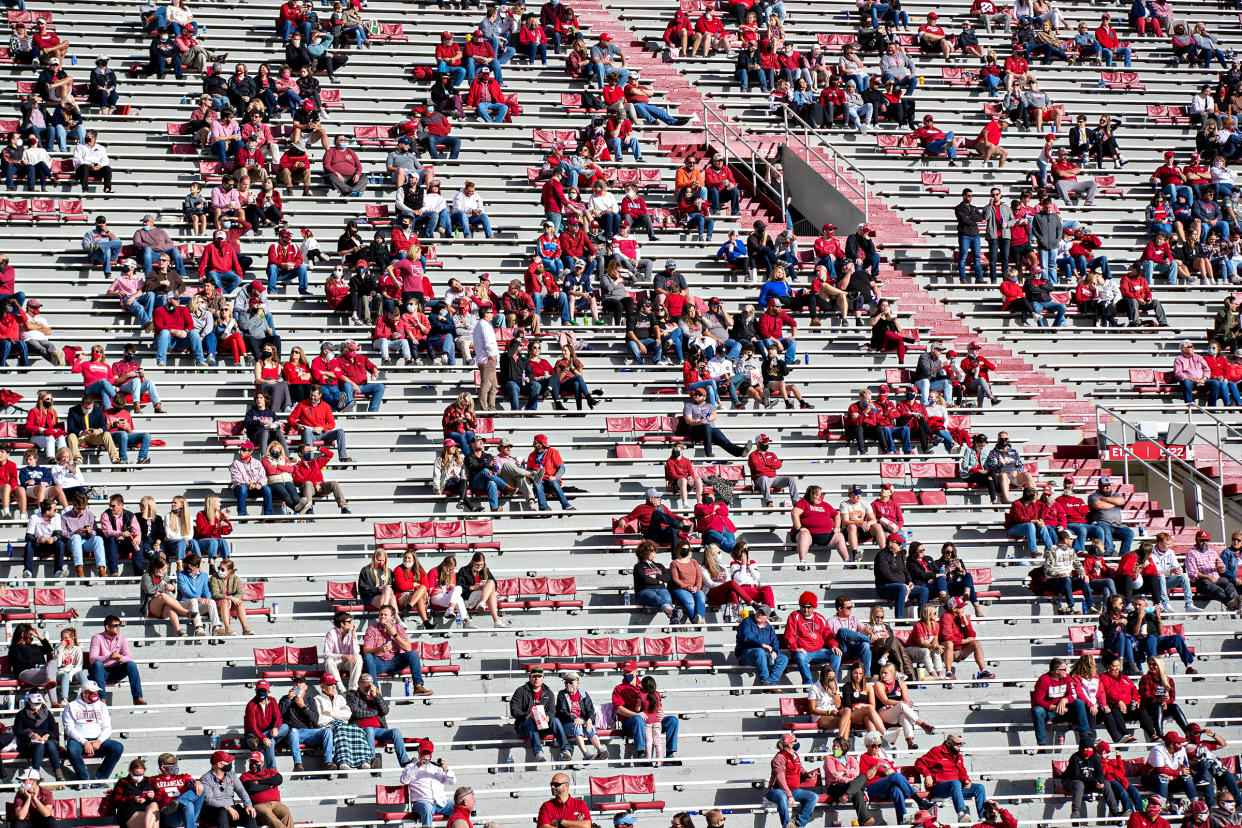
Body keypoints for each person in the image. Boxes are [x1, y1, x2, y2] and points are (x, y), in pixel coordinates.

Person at [612, 661, 677, 761]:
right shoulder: (619, 688)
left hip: (651, 720)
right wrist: (637, 714)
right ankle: (641, 753)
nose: (626, 674)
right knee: (638, 719)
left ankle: (670, 754)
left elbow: (657, 702)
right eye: (624, 672)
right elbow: (619, 709)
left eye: (629, 672)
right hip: (630, 722)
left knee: (672, 720)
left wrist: (661, 712)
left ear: (636, 672)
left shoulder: (646, 684)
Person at [916, 734, 987, 823]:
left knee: (979, 788)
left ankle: (983, 818)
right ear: (948, 743)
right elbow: (919, 762)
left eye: (961, 744)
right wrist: (927, 775)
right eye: (957, 744)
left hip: (955, 788)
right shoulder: (936, 751)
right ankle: (961, 813)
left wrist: (966, 780)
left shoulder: (958, 756)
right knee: (955, 783)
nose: (959, 747)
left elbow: (962, 772)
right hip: (938, 787)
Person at [361, 605, 431, 695]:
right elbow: (366, 650)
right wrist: (379, 649)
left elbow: (408, 648)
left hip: (395, 661)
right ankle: (375, 689)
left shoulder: (399, 629)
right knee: (368, 657)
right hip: (379, 663)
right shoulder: (372, 629)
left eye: (385, 615)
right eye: (381, 615)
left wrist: (395, 635)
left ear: (392, 618)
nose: (382, 616)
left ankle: (418, 686)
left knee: (413, 654)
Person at [859, 730, 925, 824]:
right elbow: (866, 777)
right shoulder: (864, 757)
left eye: (879, 745)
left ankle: (900, 822)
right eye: (874, 746)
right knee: (894, 776)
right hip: (872, 788)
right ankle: (919, 801)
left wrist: (888, 771)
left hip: (886, 789)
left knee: (896, 790)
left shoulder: (884, 759)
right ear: (867, 746)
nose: (877, 748)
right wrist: (878, 766)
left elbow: (895, 774)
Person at [62, 680, 123, 781]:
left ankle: (101, 778)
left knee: (117, 747)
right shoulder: (71, 706)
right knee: (72, 749)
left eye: (96, 692)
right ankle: (84, 779)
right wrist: (84, 742)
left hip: (97, 740)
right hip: (78, 741)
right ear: (84, 693)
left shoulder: (102, 706)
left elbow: (107, 727)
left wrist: (99, 741)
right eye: (92, 693)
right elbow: (69, 729)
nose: (95, 695)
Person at [345, 673, 409, 769]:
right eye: (365, 684)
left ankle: (405, 762)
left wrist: (376, 696)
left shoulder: (376, 695)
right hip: (360, 729)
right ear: (358, 683)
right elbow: (355, 712)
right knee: (369, 730)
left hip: (379, 730)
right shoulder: (352, 696)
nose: (367, 687)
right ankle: (371, 759)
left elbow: (385, 711)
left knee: (396, 732)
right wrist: (375, 712)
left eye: (370, 684)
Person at [1031, 657, 1093, 747]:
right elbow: (1038, 700)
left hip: (1064, 710)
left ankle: (1085, 736)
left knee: (1078, 703)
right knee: (1037, 711)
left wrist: (1064, 700)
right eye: (1063, 669)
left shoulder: (1066, 677)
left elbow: (1073, 694)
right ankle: (1042, 744)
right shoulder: (1043, 680)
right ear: (1056, 671)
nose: (1066, 671)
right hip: (1049, 712)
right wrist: (1054, 707)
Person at [784, 591, 838, 684]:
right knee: (800, 657)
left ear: (813, 607)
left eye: (809, 607)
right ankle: (808, 684)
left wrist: (833, 645)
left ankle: (831, 681)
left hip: (819, 651)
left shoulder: (819, 618)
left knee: (836, 654)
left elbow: (828, 635)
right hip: (802, 651)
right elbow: (790, 635)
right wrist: (795, 648)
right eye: (803, 606)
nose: (805, 609)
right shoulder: (794, 616)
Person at [766, 733, 819, 828]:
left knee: (813, 797)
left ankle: (797, 824)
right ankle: (787, 825)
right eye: (795, 740)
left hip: (794, 790)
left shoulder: (795, 755)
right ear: (790, 744)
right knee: (782, 797)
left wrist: (807, 774)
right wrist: (789, 795)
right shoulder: (779, 757)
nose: (797, 742)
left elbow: (800, 768)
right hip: (776, 790)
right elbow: (780, 779)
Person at [88, 615, 144, 704]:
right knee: (98, 665)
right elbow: (92, 659)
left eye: (119, 625)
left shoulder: (122, 638)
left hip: (115, 671)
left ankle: (138, 697)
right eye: (115, 625)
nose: (118, 628)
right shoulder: (97, 638)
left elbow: (129, 657)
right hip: (100, 671)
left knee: (131, 664)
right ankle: (102, 698)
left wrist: (120, 657)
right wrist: (109, 657)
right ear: (107, 627)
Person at [1063, 740, 1122, 819]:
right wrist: (1094, 781)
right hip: (1071, 782)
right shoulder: (1075, 757)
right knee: (1079, 784)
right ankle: (1075, 812)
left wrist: (1100, 782)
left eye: (1090, 748)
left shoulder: (1095, 757)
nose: (1088, 750)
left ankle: (1115, 812)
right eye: (1086, 748)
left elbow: (1100, 773)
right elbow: (1077, 776)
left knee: (1106, 784)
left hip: (1089, 783)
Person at [199, 750, 257, 828]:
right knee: (221, 811)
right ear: (219, 764)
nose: (230, 763)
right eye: (228, 761)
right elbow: (209, 800)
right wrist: (227, 807)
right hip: (213, 812)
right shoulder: (205, 779)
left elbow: (241, 791)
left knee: (249, 814)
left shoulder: (231, 774)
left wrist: (248, 805)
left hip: (231, 809)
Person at [555, 672, 607, 761]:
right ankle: (586, 754)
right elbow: (562, 711)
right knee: (577, 726)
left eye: (571, 682)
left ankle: (600, 750)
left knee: (590, 728)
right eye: (566, 682)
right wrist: (574, 718)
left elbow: (590, 710)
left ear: (577, 683)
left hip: (582, 722)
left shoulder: (583, 694)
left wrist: (590, 720)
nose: (568, 685)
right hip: (567, 723)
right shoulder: (562, 694)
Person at [736, 603, 788, 690]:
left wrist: (774, 652)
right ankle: (765, 682)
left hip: (763, 656)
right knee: (759, 651)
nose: (760, 614)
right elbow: (747, 637)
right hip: (745, 655)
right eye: (759, 611)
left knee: (783, 658)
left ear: (767, 617)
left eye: (763, 613)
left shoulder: (769, 628)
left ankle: (772, 684)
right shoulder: (747, 621)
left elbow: (775, 643)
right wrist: (762, 645)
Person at [939, 597, 992, 680]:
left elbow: (972, 636)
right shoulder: (945, 617)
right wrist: (965, 641)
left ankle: (983, 671)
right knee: (949, 643)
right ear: (954, 609)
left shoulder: (964, 617)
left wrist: (966, 624)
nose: (963, 609)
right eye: (960, 607)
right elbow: (947, 637)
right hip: (946, 651)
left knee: (976, 643)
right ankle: (948, 672)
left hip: (959, 650)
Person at [14, 690, 63, 779]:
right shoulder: (21, 714)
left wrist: (48, 735)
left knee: (50, 744)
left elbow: (54, 731)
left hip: (47, 740)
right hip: (28, 743)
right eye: (35, 702)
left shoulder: (47, 713)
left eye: (39, 702)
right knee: (39, 746)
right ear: (29, 701)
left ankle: (58, 771)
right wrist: (31, 735)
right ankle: (35, 773)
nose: (37, 705)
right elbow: (18, 732)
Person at [1143, 730, 1197, 804]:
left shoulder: (1182, 750)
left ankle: (1196, 804)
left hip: (1172, 779)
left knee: (1187, 777)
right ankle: (1162, 806)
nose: (1181, 745)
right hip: (1151, 779)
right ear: (1172, 744)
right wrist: (1180, 772)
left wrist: (1173, 776)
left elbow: (1186, 770)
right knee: (1163, 778)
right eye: (1178, 743)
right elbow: (1160, 770)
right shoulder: (1157, 749)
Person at [1088, 476, 1135, 557]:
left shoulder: (1116, 494)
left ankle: (1123, 557)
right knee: (1104, 528)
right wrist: (1115, 503)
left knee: (1129, 533)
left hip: (1117, 525)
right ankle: (1108, 553)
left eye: (1108, 485)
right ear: (1099, 486)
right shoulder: (1093, 496)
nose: (1107, 487)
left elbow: (1122, 501)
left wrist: (1106, 499)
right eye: (1104, 485)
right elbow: (1098, 505)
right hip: (1102, 523)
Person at [984, 431, 1034, 503]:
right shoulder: (994, 453)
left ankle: (1034, 498)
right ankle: (1006, 499)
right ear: (998, 440)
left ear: (1008, 439)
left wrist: (1017, 471)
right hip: (1001, 477)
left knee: (1027, 475)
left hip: (1014, 476)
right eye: (1001, 439)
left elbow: (1020, 465)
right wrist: (1001, 464)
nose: (1004, 441)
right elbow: (992, 468)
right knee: (1004, 475)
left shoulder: (1014, 452)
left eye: (1006, 439)